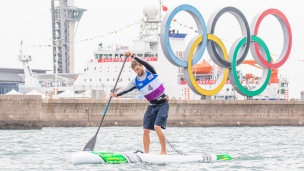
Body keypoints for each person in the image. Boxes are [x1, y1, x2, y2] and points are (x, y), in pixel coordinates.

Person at [110, 51, 169, 155]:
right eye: (135, 70)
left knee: (156, 127)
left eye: (138, 68)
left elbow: (147, 64)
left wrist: (133, 56)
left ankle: (163, 152)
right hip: (152, 106)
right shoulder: (135, 81)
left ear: (141, 66)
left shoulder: (151, 72)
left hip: (163, 103)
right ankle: (146, 154)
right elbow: (125, 89)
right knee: (146, 130)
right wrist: (115, 94)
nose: (137, 71)